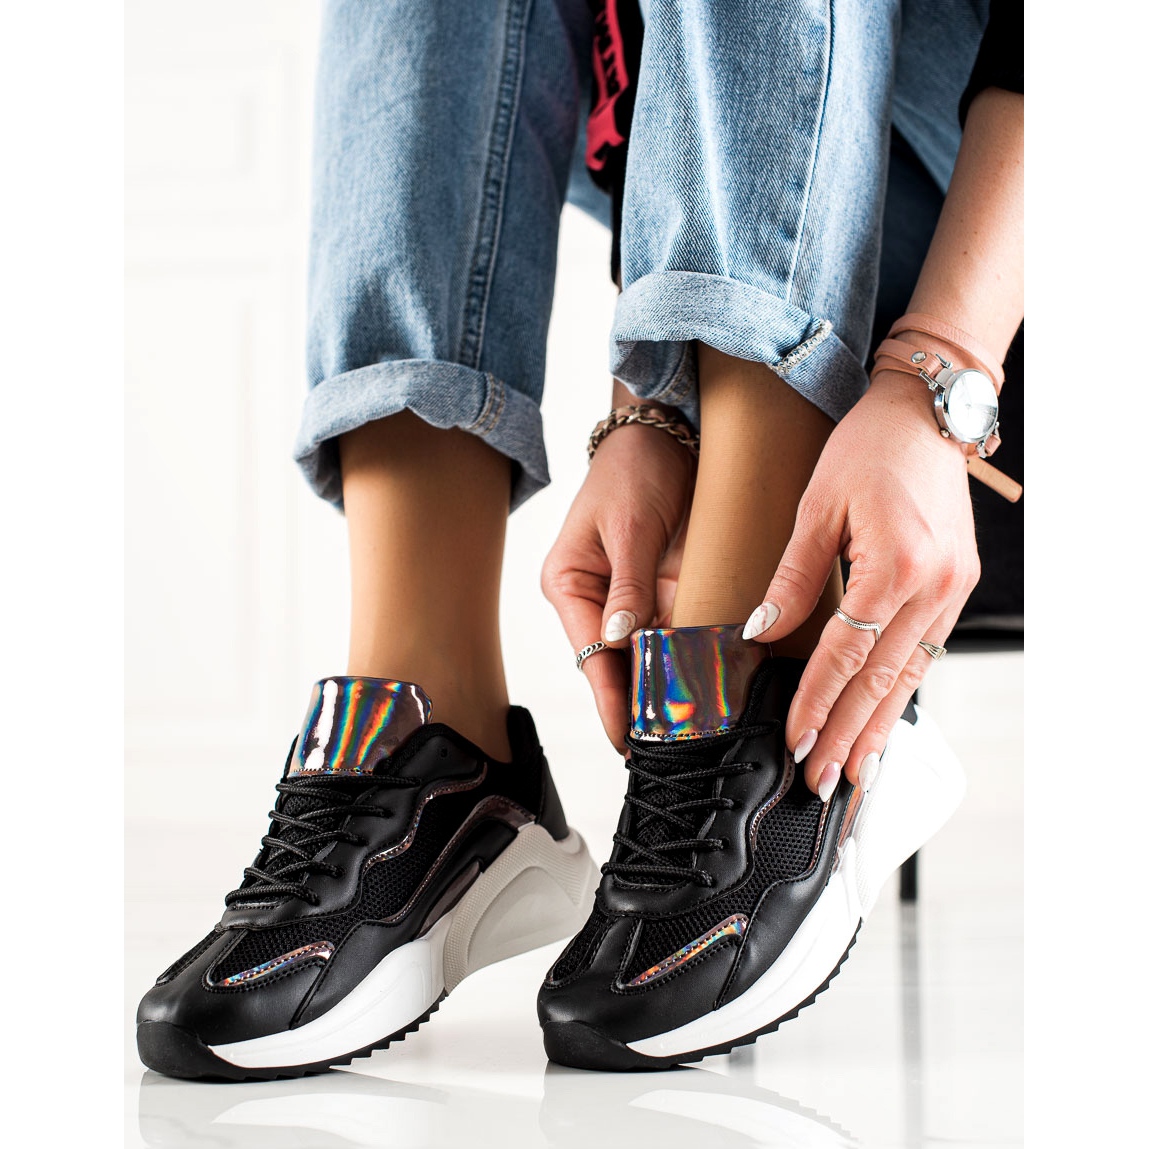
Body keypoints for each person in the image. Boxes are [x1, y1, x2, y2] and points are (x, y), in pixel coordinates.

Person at [136, 0, 1022, 1078]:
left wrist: (940, 373)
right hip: (785, 231)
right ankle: (432, 729)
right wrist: (646, 412)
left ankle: (763, 665)